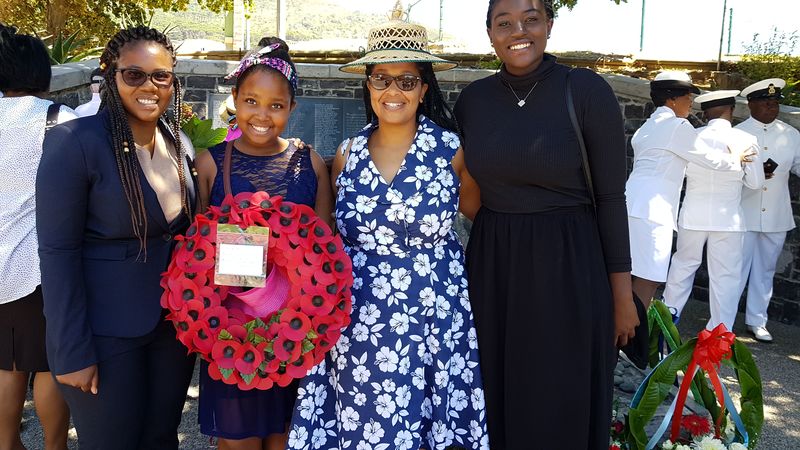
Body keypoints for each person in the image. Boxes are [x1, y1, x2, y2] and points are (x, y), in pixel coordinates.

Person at [287, 11, 489, 450]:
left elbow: (482, 217)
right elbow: (328, 236)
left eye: (406, 80)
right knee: (364, 419)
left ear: (423, 87)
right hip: (359, 317)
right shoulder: (347, 153)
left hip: (434, 314)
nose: (393, 91)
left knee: (431, 419)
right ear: (367, 85)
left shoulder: (451, 151)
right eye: (381, 79)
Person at [454, 1, 636, 447]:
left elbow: (611, 198)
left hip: (570, 263)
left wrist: (622, 295)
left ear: (549, 26)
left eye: (531, 19)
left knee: (562, 391)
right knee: (495, 387)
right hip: (495, 263)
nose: (519, 30)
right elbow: (465, 186)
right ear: (489, 33)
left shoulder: (586, 91)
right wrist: (510, 224)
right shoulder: (474, 100)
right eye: (504, 23)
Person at [36, 26, 197, 449]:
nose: (149, 86)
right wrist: (70, 350)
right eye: (134, 74)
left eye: (161, 76)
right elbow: (57, 252)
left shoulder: (174, 142)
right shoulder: (75, 143)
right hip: (103, 333)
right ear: (111, 75)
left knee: (161, 439)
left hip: (170, 330)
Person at [193, 37, 333, 450]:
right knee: (239, 440)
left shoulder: (309, 162)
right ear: (234, 98)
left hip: (295, 332)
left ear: (292, 109)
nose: (262, 115)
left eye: (276, 105)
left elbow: (325, 251)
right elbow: (195, 253)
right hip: (233, 334)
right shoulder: (208, 162)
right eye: (251, 101)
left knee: (287, 438)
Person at [0, 23, 74, 450]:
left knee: (7, 364)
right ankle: (54, 444)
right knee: (48, 364)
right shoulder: (54, 119)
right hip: (36, 267)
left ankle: (8, 441)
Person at [626, 70, 754, 305]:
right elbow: (709, 159)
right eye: (688, 97)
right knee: (649, 277)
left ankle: (620, 334)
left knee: (629, 274)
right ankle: (633, 338)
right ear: (672, 99)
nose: (691, 103)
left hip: (632, 205)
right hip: (654, 211)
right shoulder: (677, 126)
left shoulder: (648, 126)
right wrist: (737, 157)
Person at [663, 90, 763, 331]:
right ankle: (719, 336)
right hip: (728, 220)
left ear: (705, 112)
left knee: (682, 268)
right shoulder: (746, 140)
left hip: (693, 215)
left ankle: (663, 326)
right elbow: (756, 183)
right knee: (726, 279)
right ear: (731, 110)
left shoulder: (692, 137)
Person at [736, 78, 800, 342]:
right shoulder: (737, 133)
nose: (771, 108)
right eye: (765, 103)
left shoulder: (791, 135)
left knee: (765, 270)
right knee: (735, 269)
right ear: (751, 103)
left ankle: (757, 321)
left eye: (774, 104)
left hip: (775, 214)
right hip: (744, 213)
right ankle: (723, 321)